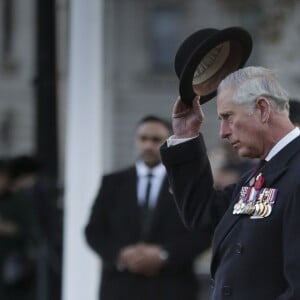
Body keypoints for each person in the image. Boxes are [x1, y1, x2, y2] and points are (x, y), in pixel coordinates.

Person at [160, 66, 300, 299]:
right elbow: (202, 212)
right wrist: (185, 138)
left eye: (228, 117)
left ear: (262, 109)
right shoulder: (261, 173)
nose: (223, 133)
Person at [85, 115, 212, 300]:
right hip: (120, 289)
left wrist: (164, 255)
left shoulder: (186, 184)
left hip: (172, 288)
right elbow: (94, 231)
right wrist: (121, 255)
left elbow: (202, 233)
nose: (148, 146)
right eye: (143, 138)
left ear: (168, 143)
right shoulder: (112, 183)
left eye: (155, 140)